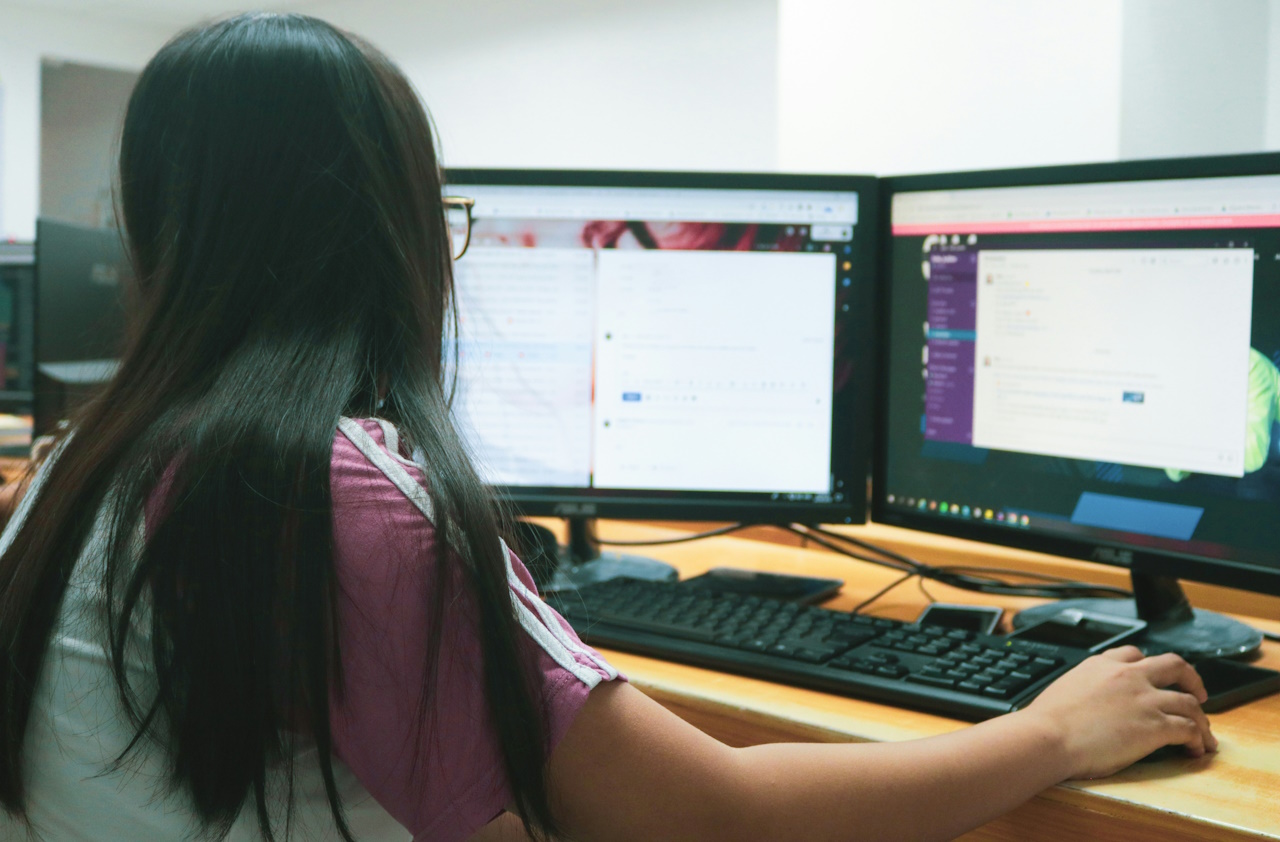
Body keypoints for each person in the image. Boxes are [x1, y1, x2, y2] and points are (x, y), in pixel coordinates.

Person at [0, 13, 1215, 842]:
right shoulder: (331, 500)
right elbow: (717, 812)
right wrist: (1046, 729)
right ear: (393, 234)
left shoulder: (78, 472)